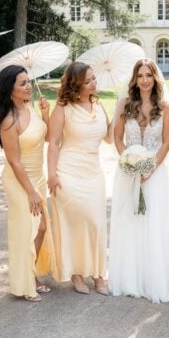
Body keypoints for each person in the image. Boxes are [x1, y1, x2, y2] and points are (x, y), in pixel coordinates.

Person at [108, 59, 169, 302]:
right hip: (129, 172)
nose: (144, 80)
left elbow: (166, 141)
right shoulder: (124, 104)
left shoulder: (163, 107)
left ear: (155, 78)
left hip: (155, 172)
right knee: (130, 220)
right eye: (140, 75)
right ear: (134, 79)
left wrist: (151, 167)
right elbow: (118, 137)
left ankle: (156, 277)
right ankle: (131, 278)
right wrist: (128, 161)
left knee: (155, 222)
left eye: (149, 75)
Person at [0, 65, 57, 302]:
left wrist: (46, 113)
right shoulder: (8, 119)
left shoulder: (30, 107)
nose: (28, 86)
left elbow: (47, 137)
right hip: (20, 180)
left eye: (28, 81)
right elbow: (14, 161)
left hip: (36, 176)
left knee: (41, 228)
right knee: (29, 230)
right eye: (22, 83)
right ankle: (24, 284)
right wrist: (31, 192)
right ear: (10, 89)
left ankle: (31, 274)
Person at [48, 62, 111, 295]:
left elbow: (110, 139)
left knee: (96, 222)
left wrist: (121, 113)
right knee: (75, 223)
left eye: (94, 78)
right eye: (88, 81)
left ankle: (98, 274)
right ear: (76, 85)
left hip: (94, 174)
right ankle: (76, 273)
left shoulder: (99, 105)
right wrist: (52, 174)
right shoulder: (63, 109)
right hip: (69, 172)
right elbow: (53, 143)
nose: (94, 83)